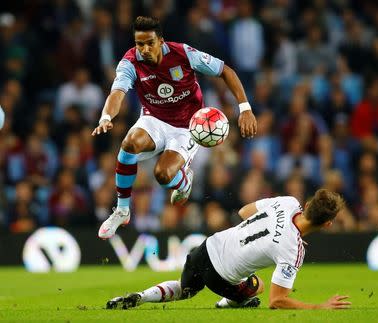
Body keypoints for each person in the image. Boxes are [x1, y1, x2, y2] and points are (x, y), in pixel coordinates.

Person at [92, 16, 257, 239]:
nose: (145, 49)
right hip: (154, 119)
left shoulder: (184, 54)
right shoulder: (130, 62)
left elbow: (225, 71)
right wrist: (105, 117)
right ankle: (122, 210)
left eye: (150, 43)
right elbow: (117, 93)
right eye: (140, 44)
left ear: (161, 41)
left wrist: (245, 108)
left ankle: (183, 181)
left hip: (188, 126)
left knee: (162, 174)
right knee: (129, 143)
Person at [106, 189, 351, 310]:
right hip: (221, 277)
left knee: (185, 290)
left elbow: (244, 212)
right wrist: (319, 307)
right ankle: (225, 304)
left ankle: (141, 297)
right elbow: (277, 301)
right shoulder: (293, 250)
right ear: (328, 224)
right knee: (258, 287)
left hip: (207, 247)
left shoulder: (287, 202)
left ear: (307, 205)